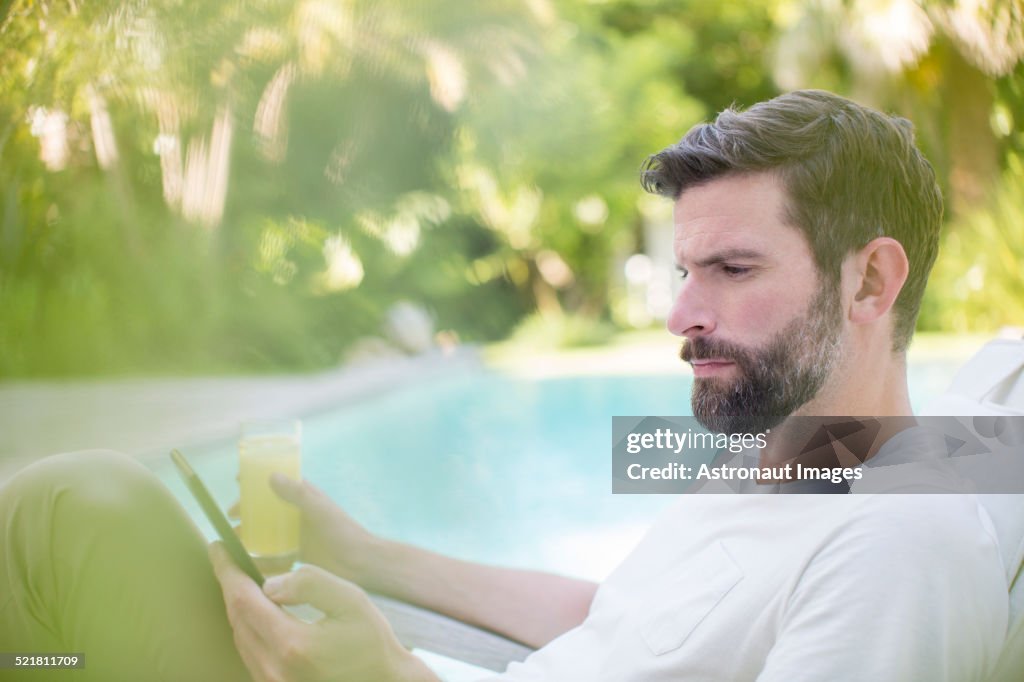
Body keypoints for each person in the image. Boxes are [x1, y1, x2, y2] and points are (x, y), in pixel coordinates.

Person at [0, 89, 1010, 681]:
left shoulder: (897, 542)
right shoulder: (809, 453)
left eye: (732, 272)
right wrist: (367, 555)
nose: (679, 317)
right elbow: (622, 617)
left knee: (78, 511)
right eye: (683, 272)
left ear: (872, 278)